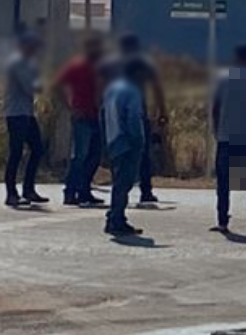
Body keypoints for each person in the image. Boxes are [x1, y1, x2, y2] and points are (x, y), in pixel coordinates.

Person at [212, 43, 246, 233]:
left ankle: (222, 221)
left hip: (227, 136)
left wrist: (216, 131)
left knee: (223, 182)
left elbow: (216, 106)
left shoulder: (224, 77)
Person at [54, 35, 105, 206]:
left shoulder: (99, 67)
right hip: (82, 115)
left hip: (96, 115)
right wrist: (69, 106)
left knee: (94, 156)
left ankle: (84, 190)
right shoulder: (77, 66)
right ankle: (70, 191)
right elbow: (57, 85)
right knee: (79, 156)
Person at [115, 34, 167, 204]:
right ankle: (145, 190)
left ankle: (120, 190)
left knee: (119, 152)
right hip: (138, 111)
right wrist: (162, 111)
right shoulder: (144, 63)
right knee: (143, 152)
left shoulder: (115, 63)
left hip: (116, 113)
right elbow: (157, 87)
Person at [101, 59, 148, 236]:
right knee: (124, 184)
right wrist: (139, 141)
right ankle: (116, 219)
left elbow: (102, 114)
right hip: (127, 143)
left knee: (118, 182)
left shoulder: (112, 89)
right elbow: (133, 118)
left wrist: (106, 140)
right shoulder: (133, 91)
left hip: (113, 139)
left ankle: (114, 217)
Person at [3, 33, 48, 207]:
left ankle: (28, 189)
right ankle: (11, 193)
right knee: (16, 152)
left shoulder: (30, 63)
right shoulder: (17, 63)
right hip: (16, 113)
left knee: (37, 149)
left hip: (27, 112)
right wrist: (38, 84)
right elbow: (30, 87)